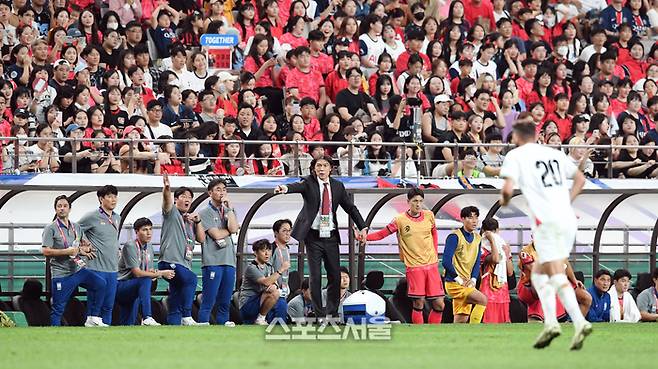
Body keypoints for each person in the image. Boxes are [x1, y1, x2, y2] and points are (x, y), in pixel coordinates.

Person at [500, 122, 591, 350]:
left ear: (518, 136)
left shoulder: (516, 155)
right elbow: (580, 179)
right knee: (541, 271)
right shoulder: (554, 154)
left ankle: (579, 323)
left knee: (551, 271)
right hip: (567, 218)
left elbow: (507, 190)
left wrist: (505, 199)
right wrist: (565, 203)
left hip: (547, 220)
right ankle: (551, 323)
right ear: (537, 134)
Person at [274, 155, 368, 321]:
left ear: (330, 168)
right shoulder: (308, 182)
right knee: (315, 276)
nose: (321, 169)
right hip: (313, 236)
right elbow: (296, 186)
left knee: (335, 276)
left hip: (331, 236)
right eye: (318, 166)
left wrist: (363, 226)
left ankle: (332, 313)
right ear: (314, 168)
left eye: (325, 165)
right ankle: (319, 315)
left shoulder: (338, 186)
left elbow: (350, 208)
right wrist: (284, 188)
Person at [365, 187, 445, 324]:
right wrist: (365, 237)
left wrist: (435, 252)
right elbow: (382, 233)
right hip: (414, 267)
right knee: (419, 303)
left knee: (439, 304)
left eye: (420, 201)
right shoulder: (400, 220)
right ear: (408, 202)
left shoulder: (429, 215)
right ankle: (420, 334)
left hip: (431, 266)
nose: (418, 204)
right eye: (415, 201)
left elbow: (434, 233)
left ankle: (433, 330)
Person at [41, 195, 105, 327]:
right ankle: (54, 333)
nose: (62, 208)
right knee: (58, 308)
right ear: (55, 209)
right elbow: (46, 251)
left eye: (65, 206)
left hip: (78, 270)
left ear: (70, 208)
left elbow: (85, 244)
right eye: (59, 206)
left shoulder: (76, 227)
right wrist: (68, 251)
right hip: (61, 274)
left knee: (100, 283)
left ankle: (92, 318)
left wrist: (85, 249)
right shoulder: (51, 228)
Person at [157, 173, 204, 326]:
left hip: (184, 263)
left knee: (176, 296)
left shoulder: (190, 221)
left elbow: (202, 239)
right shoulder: (172, 213)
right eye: (183, 196)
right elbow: (166, 203)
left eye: (189, 197)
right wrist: (166, 189)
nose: (187, 199)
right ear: (176, 199)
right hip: (169, 261)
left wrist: (198, 222)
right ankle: (187, 315)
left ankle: (174, 326)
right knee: (191, 279)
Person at [116, 217, 174, 326]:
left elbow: (148, 271)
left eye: (150, 229)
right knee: (144, 281)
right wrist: (161, 273)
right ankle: (147, 317)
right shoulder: (130, 246)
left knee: (128, 324)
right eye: (144, 230)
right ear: (136, 232)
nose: (149, 233)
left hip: (135, 287)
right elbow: (137, 273)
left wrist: (153, 273)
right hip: (121, 286)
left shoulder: (150, 247)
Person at [79, 185, 122, 326]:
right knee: (94, 304)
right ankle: (90, 335)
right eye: (109, 196)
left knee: (109, 305)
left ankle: (107, 337)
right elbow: (75, 230)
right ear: (101, 199)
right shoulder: (92, 216)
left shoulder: (117, 217)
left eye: (115, 196)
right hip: (96, 267)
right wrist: (83, 245)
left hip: (113, 268)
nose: (113, 199)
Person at [198, 179, 239, 326]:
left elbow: (234, 229)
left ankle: (223, 323)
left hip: (229, 260)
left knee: (225, 298)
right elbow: (216, 235)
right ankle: (203, 322)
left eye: (224, 189)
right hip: (213, 261)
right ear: (210, 193)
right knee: (209, 297)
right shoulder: (204, 212)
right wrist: (228, 230)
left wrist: (229, 210)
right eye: (218, 189)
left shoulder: (229, 210)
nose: (221, 192)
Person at [442, 206, 488, 324]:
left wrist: (473, 279)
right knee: (482, 300)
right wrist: (459, 279)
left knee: (461, 320)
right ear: (462, 219)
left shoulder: (477, 238)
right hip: (454, 283)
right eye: (470, 217)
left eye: (476, 217)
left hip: (467, 283)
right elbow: (446, 261)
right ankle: (476, 331)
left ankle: (456, 340)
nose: (474, 221)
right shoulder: (454, 237)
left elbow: (477, 262)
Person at [239, 239, 289, 325]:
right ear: (255, 252)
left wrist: (274, 286)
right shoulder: (251, 268)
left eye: (269, 250)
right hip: (248, 304)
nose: (267, 254)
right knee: (274, 293)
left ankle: (280, 325)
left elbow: (274, 283)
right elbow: (266, 282)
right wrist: (281, 269)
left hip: (262, 301)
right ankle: (260, 318)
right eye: (263, 251)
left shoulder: (269, 266)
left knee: (281, 300)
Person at [479, 218, 513, 323]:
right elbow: (495, 259)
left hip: (500, 291)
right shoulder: (482, 248)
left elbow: (510, 272)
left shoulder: (502, 248)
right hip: (488, 292)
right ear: (498, 230)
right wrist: (493, 242)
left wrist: (506, 255)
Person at [270, 219, 293, 300]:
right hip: (273, 291)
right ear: (276, 233)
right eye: (284, 230)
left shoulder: (287, 249)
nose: (287, 233)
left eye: (289, 230)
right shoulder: (271, 249)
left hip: (284, 290)